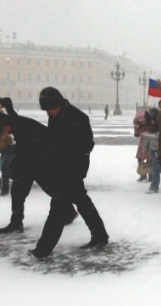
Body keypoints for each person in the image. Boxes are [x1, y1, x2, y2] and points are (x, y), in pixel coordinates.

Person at [29, 87, 108, 258]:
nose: (48, 112)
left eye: (50, 108)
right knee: (82, 203)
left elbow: (86, 145)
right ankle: (100, 235)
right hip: (60, 168)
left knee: (58, 206)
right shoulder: (55, 116)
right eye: (46, 109)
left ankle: (43, 249)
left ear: (58, 104)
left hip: (72, 169)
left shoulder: (78, 117)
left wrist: (67, 156)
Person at [0, 97, 77, 235]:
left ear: (5, 124)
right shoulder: (15, 122)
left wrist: (17, 165)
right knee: (17, 193)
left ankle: (69, 211)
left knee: (52, 189)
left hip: (42, 162)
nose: (4, 133)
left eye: (3, 129)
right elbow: (12, 113)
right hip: (30, 163)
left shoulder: (23, 126)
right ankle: (16, 223)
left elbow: (34, 148)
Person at [133, 110, 151, 182]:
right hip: (142, 145)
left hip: (150, 145)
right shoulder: (139, 126)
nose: (142, 122)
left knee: (150, 161)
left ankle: (151, 176)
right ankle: (143, 175)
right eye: (140, 120)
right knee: (139, 159)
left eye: (143, 120)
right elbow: (136, 134)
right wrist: (136, 127)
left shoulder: (151, 125)